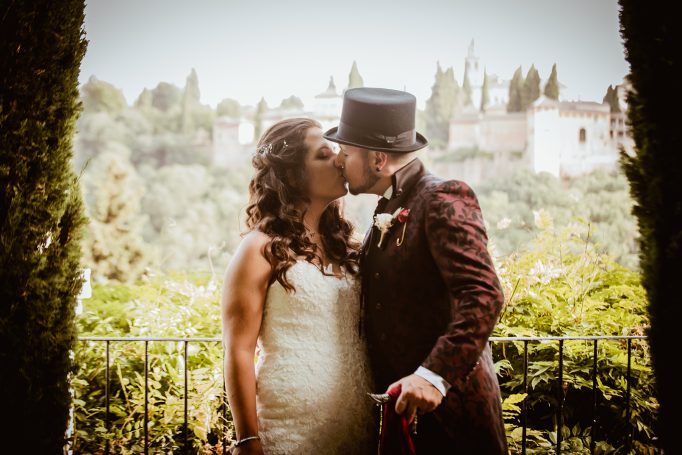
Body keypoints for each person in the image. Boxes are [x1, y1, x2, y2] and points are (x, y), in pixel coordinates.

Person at [326, 88, 508, 454]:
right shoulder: (389, 204)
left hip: (454, 421)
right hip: (405, 419)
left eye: (345, 152)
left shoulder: (441, 197)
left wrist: (434, 377)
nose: (338, 161)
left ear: (378, 159)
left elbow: (484, 295)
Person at [220, 118, 374, 455]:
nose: (339, 160)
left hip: (357, 428)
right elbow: (239, 350)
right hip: (289, 429)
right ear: (292, 176)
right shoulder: (259, 248)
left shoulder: (348, 248)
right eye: (323, 155)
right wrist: (248, 441)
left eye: (337, 152)